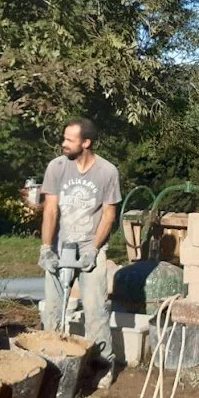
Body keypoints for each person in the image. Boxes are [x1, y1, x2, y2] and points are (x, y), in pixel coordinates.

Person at [38, 117, 121, 376]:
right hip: (60, 247)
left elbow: (109, 214)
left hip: (90, 247)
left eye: (69, 140)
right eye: (64, 139)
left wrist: (94, 250)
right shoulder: (57, 167)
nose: (63, 144)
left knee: (95, 312)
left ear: (86, 143)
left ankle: (102, 367)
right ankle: (50, 365)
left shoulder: (107, 172)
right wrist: (46, 248)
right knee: (52, 311)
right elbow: (50, 210)